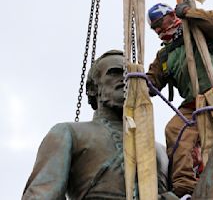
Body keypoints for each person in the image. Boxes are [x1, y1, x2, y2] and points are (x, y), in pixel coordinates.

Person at [22, 50, 172, 199]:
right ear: (93, 88)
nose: (126, 77)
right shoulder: (69, 133)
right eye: (115, 72)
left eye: (130, 73)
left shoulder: (163, 152)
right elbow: (41, 194)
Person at [146, 2, 213, 197]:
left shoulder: (197, 29)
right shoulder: (166, 54)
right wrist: (139, 82)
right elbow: (152, 81)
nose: (159, 29)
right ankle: (185, 185)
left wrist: (189, 13)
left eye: (161, 22)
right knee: (175, 130)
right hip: (194, 103)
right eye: (155, 27)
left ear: (172, 15)